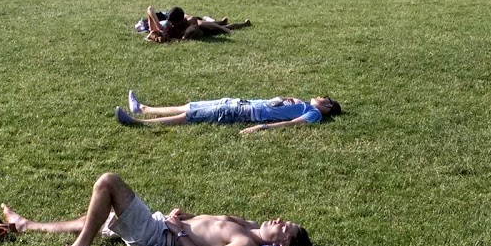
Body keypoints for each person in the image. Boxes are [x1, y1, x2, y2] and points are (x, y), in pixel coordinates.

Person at [0, 172, 314, 246]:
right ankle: (27, 225)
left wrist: (179, 233)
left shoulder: (246, 242)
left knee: (108, 183)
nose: (279, 220)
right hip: (163, 223)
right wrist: (188, 218)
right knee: (96, 216)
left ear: (284, 242)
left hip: (157, 237)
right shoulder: (248, 226)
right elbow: (212, 224)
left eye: (285, 227)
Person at [116, 92, 343, 134]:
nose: (321, 97)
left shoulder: (315, 114)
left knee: (190, 117)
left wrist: (261, 127)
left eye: (326, 98)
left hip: (245, 112)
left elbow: (293, 123)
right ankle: (144, 109)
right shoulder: (304, 103)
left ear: (328, 106)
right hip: (239, 102)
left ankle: (138, 122)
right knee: (191, 106)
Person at [142, 6, 250, 42]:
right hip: (200, 32)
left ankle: (241, 25)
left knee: (215, 26)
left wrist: (227, 31)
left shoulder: (188, 21)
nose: (172, 24)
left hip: (201, 29)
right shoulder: (166, 28)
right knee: (214, 25)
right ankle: (224, 24)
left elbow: (197, 24)